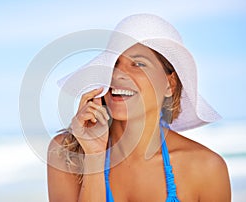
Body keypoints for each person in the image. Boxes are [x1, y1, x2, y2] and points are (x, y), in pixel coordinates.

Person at [47, 14, 231, 202]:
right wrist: (94, 156)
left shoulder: (207, 168)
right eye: (114, 63)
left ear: (170, 85)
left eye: (139, 64)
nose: (119, 74)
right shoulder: (67, 154)